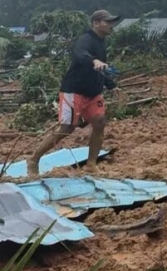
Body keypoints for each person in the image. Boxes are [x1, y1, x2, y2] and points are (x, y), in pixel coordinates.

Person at [27, 9, 121, 177]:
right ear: (96, 23)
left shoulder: (101, 42)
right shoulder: (85, 39)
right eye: (108, 22)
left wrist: (112, 85)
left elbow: (100, 69)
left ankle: (91, 164)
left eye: (112, 21)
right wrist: (94, 60)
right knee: (67, 128)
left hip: (93, 92)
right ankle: (33, 159)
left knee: (100, 122)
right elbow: (80, 55)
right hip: (74, 91)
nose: (111, 25)